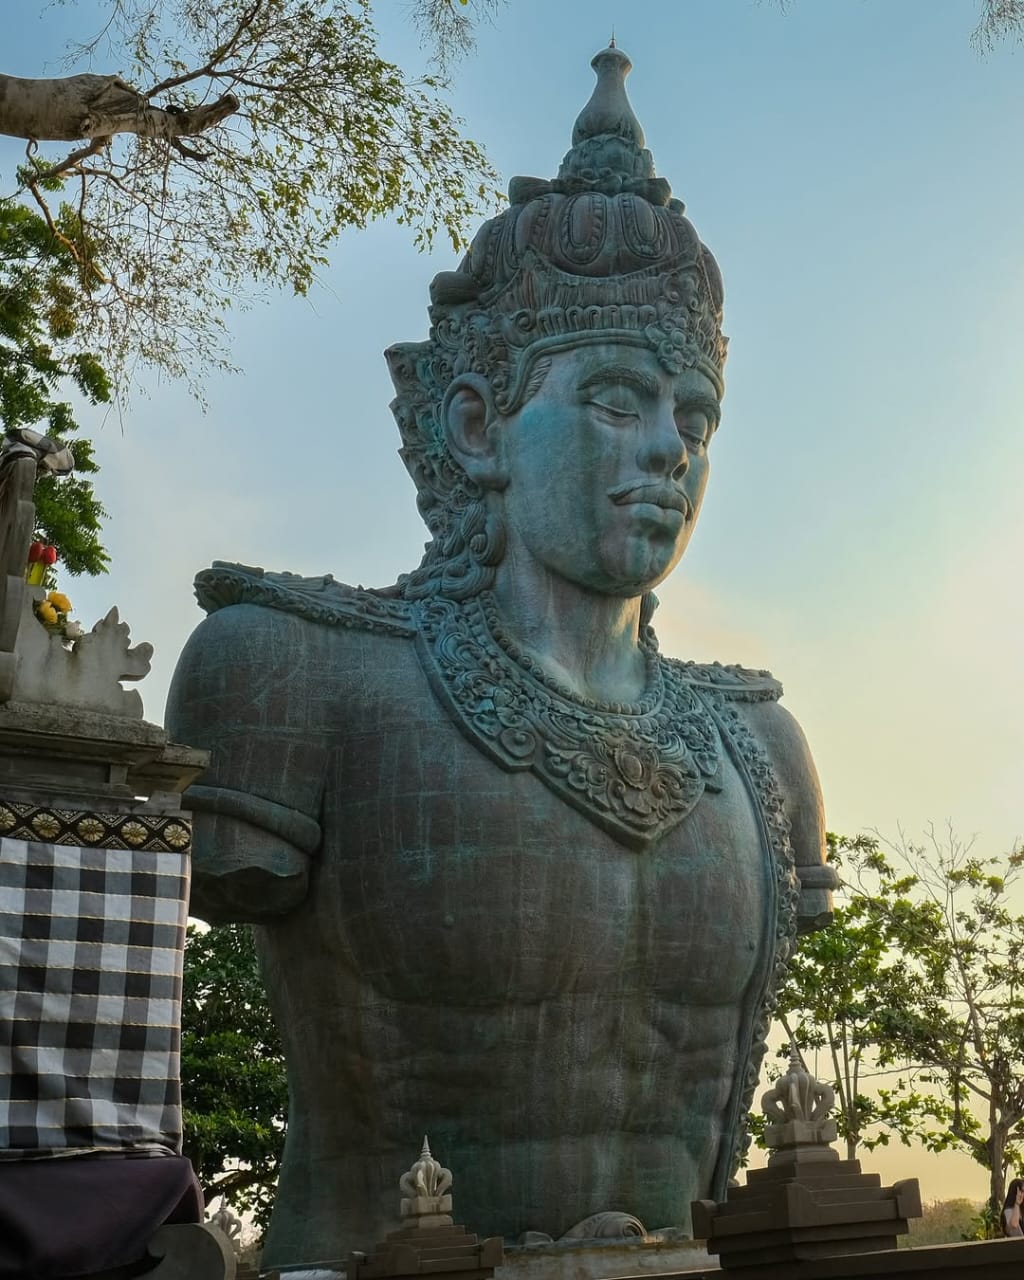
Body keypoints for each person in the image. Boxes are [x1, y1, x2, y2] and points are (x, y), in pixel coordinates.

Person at [166, 45, 836, 1271]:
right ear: (477, 425)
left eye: (696, 418)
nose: (671, 451)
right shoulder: (291, 674)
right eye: (617, 398)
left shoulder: (761, 745)